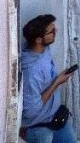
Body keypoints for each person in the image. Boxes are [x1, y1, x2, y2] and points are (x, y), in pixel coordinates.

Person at [20, 14, 75, 142]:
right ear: (39, 40)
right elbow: (30, 111)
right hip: (39, 128)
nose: (56, 32)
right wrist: (56, 83)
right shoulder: (31, 72)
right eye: (52, 32)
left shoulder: (44, 49)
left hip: (55, 117)